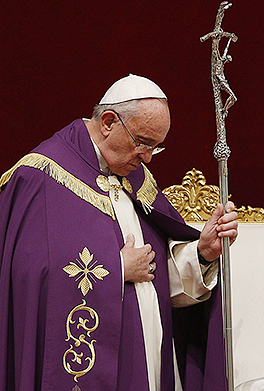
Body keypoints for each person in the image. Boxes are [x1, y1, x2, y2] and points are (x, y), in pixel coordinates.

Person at [0, 74, 238, 391]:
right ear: (109, 122)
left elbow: (156, 279)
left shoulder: (135, 180)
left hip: (147, 365)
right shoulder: (40, 177)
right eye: (142, 142)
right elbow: (23, 280)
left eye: (156, 146)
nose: (148, 157)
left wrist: (202, 253)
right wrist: (115, 269)